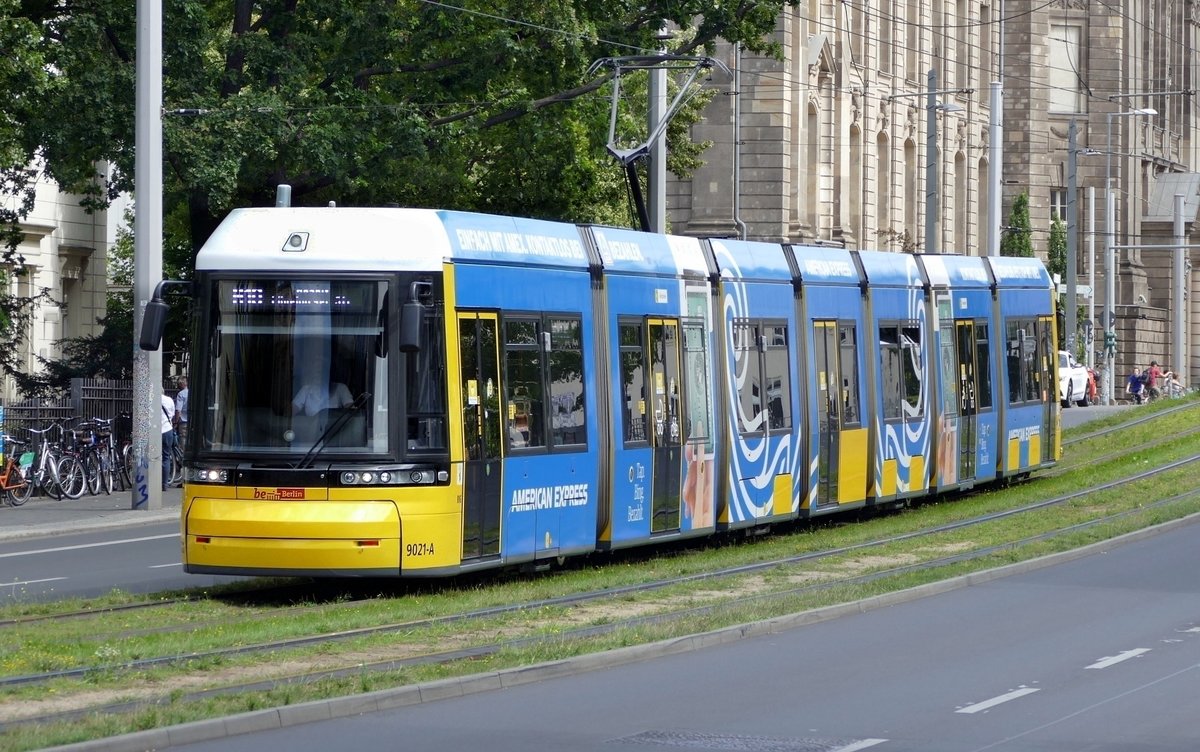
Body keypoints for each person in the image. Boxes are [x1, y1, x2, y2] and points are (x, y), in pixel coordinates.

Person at [160, 390, 177, 491]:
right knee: (166, 457)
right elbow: (172, 413)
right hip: (167, 430)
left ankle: (152, 481)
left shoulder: (150, 400)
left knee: (151, 456)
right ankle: (164, 484)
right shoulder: (169, 400)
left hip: (154, 432)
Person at [174, 377, 189, 451]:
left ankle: (183, 456)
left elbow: (178, 410)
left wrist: (176, 422)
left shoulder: (181, 394)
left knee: (183, 439)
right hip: (193, 422)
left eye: (179, 384)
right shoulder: (193, 392)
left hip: (183, 422)